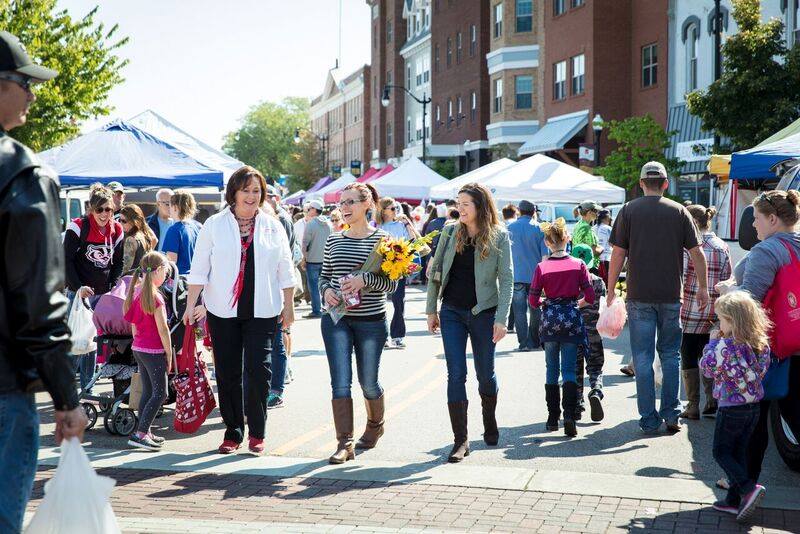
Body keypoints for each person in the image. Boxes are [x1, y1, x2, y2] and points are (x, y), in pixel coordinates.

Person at [0, 32, 87, 531]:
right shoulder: (22, 174)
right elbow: (37, 299)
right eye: (23, 81)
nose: (33, 93)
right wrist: (66, 398)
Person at [184, 166, 296, 455]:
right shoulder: (215, 224)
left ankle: (258, 432)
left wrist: (289, 306)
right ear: (233, 192)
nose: (251, 195)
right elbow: (199, 268)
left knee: (259, 371)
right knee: (228, 372)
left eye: (256, 190)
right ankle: (233, 430)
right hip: (223, 310)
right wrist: (191, 304)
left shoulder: (273, 225)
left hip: (264, 309)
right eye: (245, 190)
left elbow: (285, 268)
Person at [606, 161, 708, 434]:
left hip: (639, 294)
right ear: (665, 183)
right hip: (671, 295)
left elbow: (618, 254)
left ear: (641, 184)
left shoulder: (628, 211)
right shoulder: (679, 212)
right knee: (671, 354)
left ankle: (649, 418)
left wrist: (610, 289)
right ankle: (672, 414)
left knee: (641, 357)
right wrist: (702, 288)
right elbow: (697, 253)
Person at [716, 189, 800, 495]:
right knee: (791, 411)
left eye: (757, 219)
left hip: (772, 346)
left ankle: (743, 487)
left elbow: (748, 302)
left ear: (773, 219)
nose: (753, 226)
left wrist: (728, 293)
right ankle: (742, 486)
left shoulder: (768, 251)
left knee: (757, 419)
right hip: (796, 340)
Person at [426, 183, 513, 462]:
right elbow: (436, 271)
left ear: (480, 206)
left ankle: (489, 419)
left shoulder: (499, 236)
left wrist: (502, 319)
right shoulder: (450, 231)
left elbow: (508, 279)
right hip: (451, 311)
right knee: (456, 374)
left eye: (466, 203)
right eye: (458, 203)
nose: (460, 208)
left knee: (485, 374)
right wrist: (431, 310)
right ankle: (460, 440)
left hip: (484, 313)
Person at [319, 183, 398, 464]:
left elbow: (392, 283)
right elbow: (324, 276)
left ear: (368, 205)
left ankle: (375, 425)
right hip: (336, 319)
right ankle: (345, 443)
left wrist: (365, 280)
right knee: (340, 383)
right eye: (342, 203)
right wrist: (326, 290)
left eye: (351, 202)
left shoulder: (384, 240)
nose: (345, 208)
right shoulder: (334, 239)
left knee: (368, 383)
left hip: (371, 321)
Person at [700, 291, 770, 521]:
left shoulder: (724, 347)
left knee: (721, 452)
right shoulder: (761, 343)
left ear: (732, 320)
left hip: (731, 408)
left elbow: (707, 368)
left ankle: (748, 489)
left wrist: (711, 344)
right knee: (739, 452)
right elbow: (761, 371)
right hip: (753, 408)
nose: (718, 323)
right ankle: (732, 501)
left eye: (720, 318)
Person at [529, 219, 595, 437]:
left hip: (549, 322)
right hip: (571, 320)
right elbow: (590, 296)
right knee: (569, 370)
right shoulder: (579, 264)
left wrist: (546, 305)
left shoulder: (542, 267)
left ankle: (551, 418)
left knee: (551, 369)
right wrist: (575, 304)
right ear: (567, 239)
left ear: (547, 242)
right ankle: (569, 415)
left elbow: (533, 300)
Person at [64, 183, 125, 394]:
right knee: (76, 343)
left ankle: (87, 389)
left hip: (101, 295)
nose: (104, 213)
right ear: (91, 208)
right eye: (99, 209)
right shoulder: (78, 227)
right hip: (78, 294)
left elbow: (118, 263)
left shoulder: (117, 230)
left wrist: (114, 285)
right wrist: (79, 287)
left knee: (92, 344)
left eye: (108, 209)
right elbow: (66, 261)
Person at [679, 205, 732, 420]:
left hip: (689, 311)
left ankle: (692, 405)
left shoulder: (686, 247)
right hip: (714, 312)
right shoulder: (722, 246)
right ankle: (712, 400)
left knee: (688, 356)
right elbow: (727, 280)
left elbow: (680, 276)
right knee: (709, 354)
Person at [123, 252, 173, 451]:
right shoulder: (156, 297)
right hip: (154, 351)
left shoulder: (136, 292)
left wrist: (139, 342)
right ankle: (141, 433)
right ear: (158, 271)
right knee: (161, 393)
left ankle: (144, 430)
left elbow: (134, 326)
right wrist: (168, 353)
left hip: (139, 349)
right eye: (166, 272)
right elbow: (163, 329)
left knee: (149, 391)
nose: (166, 276)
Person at [376, 197, 424, 349]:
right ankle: (382, 336)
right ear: (383, 210)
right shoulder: (377, 226)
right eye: (391, 208)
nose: (395, 210)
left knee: (398, 302)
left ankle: (397, 336)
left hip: (400, 267)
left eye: (396, 208)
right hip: (382, 268)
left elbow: (414, 242)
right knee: (379, 303)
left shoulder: (401, 223)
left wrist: (408, 224)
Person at [264, 185, 296, 410]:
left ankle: (277, 389)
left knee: (277, 343)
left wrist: (288, 304)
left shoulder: (278, 226)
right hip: (253, 302)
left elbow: (286, 268)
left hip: (274, 296)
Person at [507, 200, 550, 352]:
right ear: (534, 212)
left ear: (519, 211)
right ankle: (535, 340)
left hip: (516, 276)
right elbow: (545, 256)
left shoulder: (509, 228)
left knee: (519, 310)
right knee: (535, 309)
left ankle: (523, 343)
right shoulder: (540, 229)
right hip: (535, 276)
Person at [571, 244, 607, 422]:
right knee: (595, 367)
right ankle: (596, 390)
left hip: (574, 333)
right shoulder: (598, 281)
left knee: (575, 369)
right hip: (594, 332)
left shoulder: (569, 282)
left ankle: (577, 403)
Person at [302, 198, 332, 318]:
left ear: (314, 210)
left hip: (312, 261)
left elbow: (305, 244)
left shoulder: (310, 224)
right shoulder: (329, 224)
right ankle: (326, 308)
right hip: (326, 260)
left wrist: (304, 259)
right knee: (326, 285)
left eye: (309, 209)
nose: (308, 211)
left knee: (314, 287)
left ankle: (316, 310)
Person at [162, 191, 202, 275]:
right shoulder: (198, 226)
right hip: (196, 279)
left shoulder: (174, 230)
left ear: (175, 207)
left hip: (179, 281)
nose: (169, 208)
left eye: (170, 205)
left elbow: (171, 262)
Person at [119, 204, 158, 274]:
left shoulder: (130, 240)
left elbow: (125, 268)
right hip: (143, 277)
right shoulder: (146, 234)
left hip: (131, 281)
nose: (121, 224)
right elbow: (155, 239)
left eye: (124, 221)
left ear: (134, 221)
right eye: (120, 220)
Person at [572, 200, 603, 270]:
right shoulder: (586, 227)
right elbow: (593, 251)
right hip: (589, 266)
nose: (597, 213)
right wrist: (602, 249)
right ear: (589, 212)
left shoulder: (578, 225)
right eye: (596, 211)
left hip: (580, 265)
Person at [595, 209, 613, 285]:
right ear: (607, 217)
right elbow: (613, 243)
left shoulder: (593, 228)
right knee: (607, 283)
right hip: (606, 259)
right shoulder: (608, 228)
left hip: (595, 260)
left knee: (596, 283)